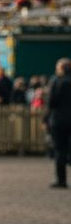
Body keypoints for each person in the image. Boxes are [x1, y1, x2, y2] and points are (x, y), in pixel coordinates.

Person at [46, 58, 71, 188]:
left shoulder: (57, 81)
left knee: (59, 150)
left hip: (59, 120)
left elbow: (51, 102)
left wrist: (46, 119)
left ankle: (61, 180)